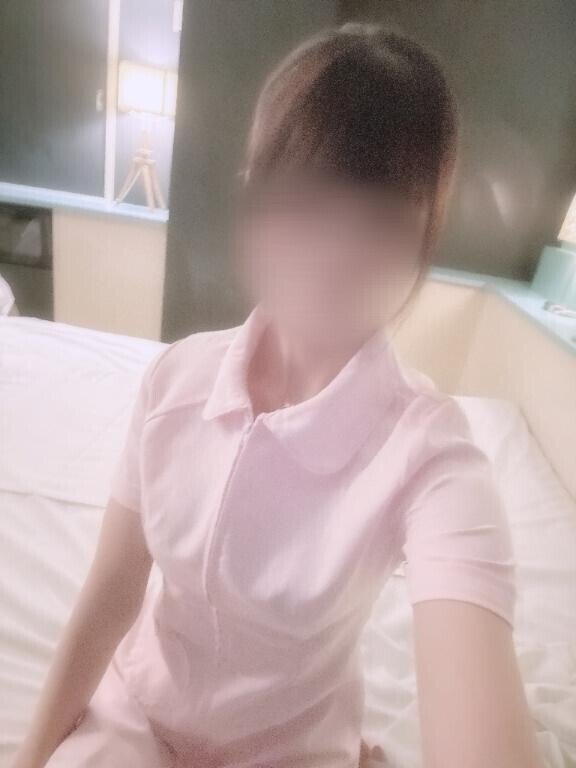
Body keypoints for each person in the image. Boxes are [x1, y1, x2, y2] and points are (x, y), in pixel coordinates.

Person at [12, 21, 544, 768]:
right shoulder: (175, 381)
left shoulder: (430, 456)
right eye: (306, 198)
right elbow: (110, 596)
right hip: (138, 718)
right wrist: (31, 758)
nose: (336, 251)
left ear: (425, 237)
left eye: (382, 218)